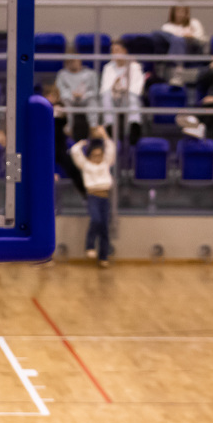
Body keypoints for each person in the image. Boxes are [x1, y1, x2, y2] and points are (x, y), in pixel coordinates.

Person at [69, 125, 114, 267]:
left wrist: (104, 135)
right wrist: (83, 142)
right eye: (95, 155)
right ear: (90, 155)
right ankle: (90, 246)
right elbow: (74, 151)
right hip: (93, 196)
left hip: (105, 197)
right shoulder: (86, 165)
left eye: (100, 155)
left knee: (104, 227)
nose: (97, 158)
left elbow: (111, 148)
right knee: (96, 220)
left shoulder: (106, 163)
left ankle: (103, 257)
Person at [99, 41, 145, 139]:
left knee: (132, 97)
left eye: (117, 50)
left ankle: (134, 125)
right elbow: (104, 88)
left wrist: (123, 88)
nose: (114, 53)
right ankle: (110, 125)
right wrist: (114, 87)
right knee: (106, 96)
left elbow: (137, 88)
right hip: (114, 98)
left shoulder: (134, 67)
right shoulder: (108, 68)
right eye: (112, 51)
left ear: (124, 51)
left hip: (127, 97)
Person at [55, 57, 97, 136]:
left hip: (85, 98)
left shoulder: (90, 74)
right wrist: (72, 95)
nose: (73, 63)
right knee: (64, 101)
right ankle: (68, 128)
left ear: (80, 61)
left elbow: (94, 91)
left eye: (75, 61)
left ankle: (93, 127)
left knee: (92, 101)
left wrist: (83, 95)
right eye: (70, 61)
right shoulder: (62, 74)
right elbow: (59, 91)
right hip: (69, 99)